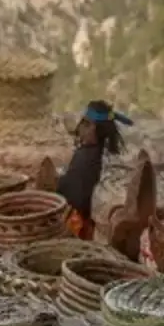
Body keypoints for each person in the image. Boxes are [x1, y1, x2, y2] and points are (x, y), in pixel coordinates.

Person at [56, 100, 132, 239]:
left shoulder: (87, 158)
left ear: (98, 131)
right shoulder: (93, 153)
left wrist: (57, 184)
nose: (81, 129)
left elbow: (77, 196)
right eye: (83, 123)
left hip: (79, 220)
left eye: (86, 124)